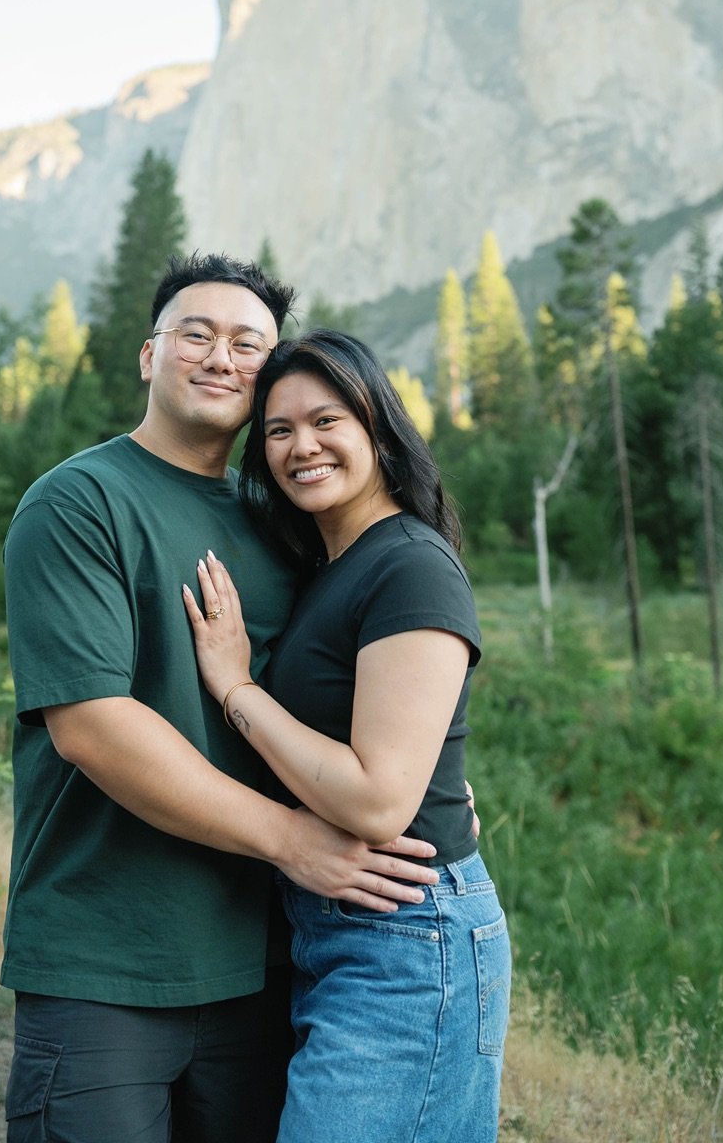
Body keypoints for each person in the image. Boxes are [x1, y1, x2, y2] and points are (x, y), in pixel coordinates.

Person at [1, 255, 444, 1143]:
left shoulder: (285, 516)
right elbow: (91, 727)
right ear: (149, 354)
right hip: (109, 955)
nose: (220, 357)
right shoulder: (79, 502)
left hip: (269, 958)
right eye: (195, 334)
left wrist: (431, 779)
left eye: (248, 343)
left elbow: (351, 687)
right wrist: (291, 840)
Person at [183, 329, 510, 1143]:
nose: (302, 447)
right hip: (339, 928)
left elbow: (376, 801)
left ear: (376, 426)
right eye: (279, 430)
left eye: (325, 420)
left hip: (404, 937)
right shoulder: (335, 566)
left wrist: (234, 686)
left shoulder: (409, 565)